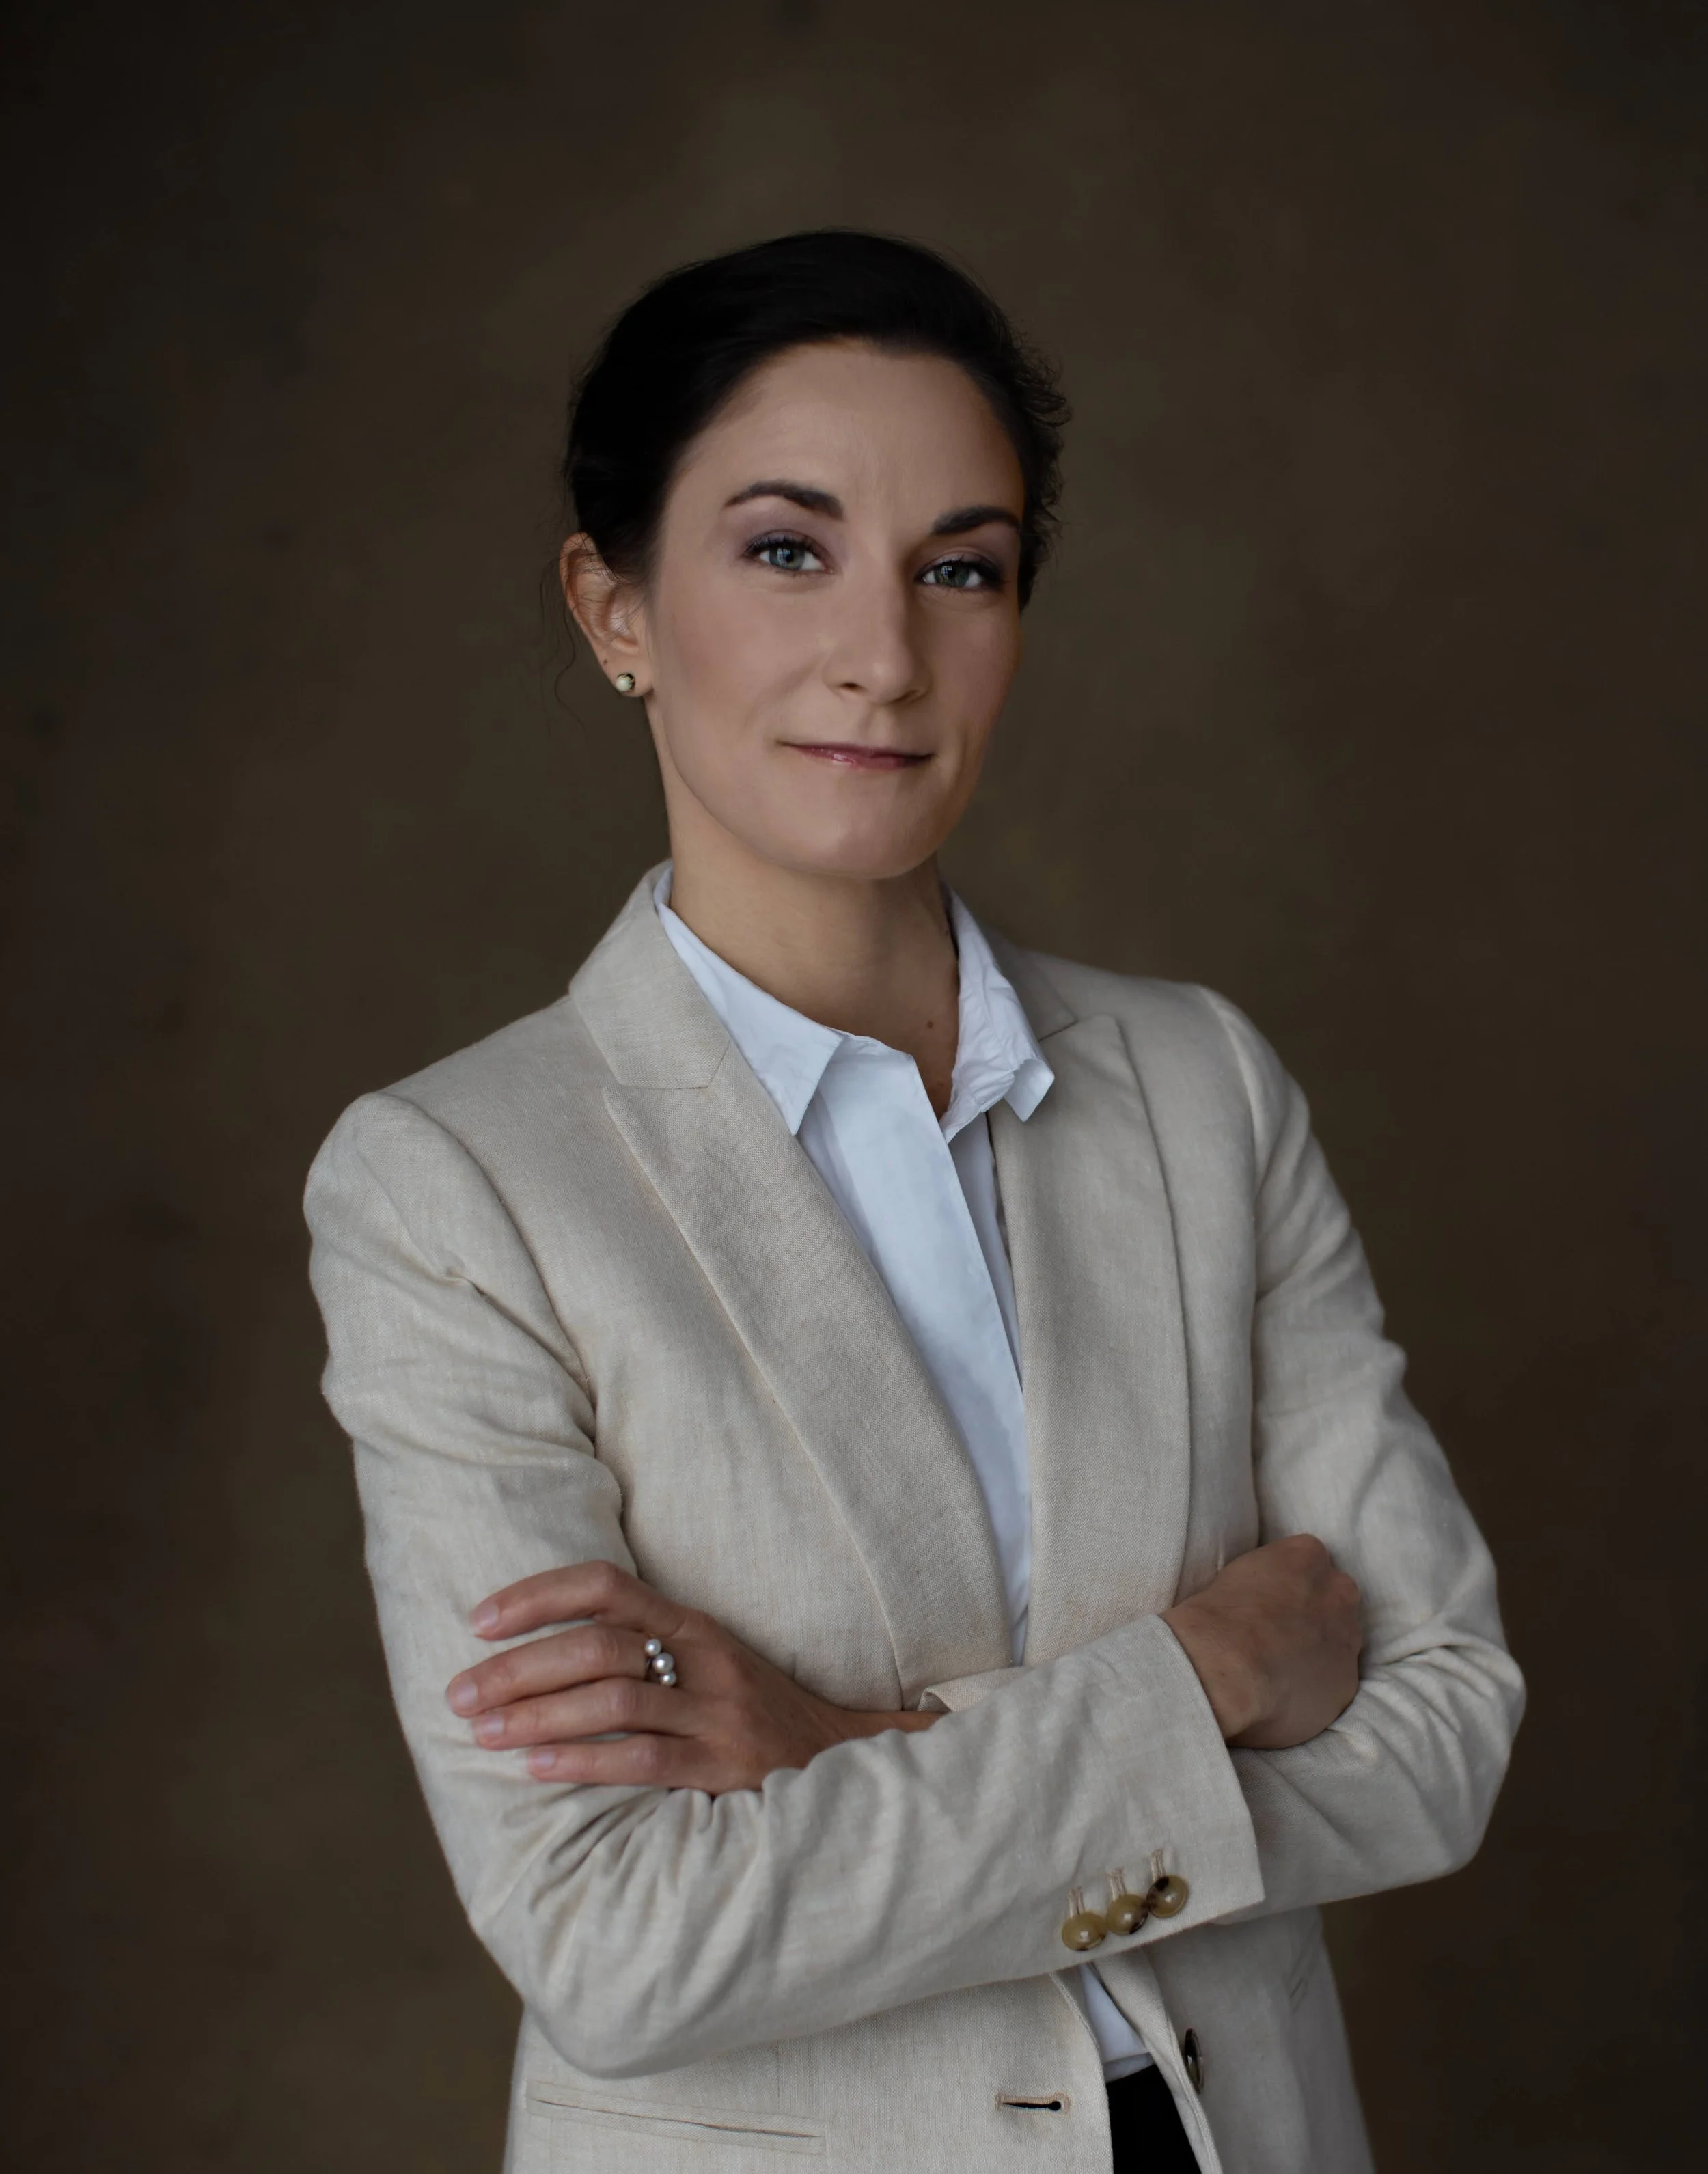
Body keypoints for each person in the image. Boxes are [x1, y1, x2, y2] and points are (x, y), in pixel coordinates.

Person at [305, 230, 1523, 2173]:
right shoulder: (455, 1182)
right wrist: (1199, 1684)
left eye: (959, 565)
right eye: (786, 548)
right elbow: (619, 1936)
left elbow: (1445, 1731)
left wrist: (852, 1752)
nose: (882, 650)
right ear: (611, 605)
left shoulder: (1199, 1083)